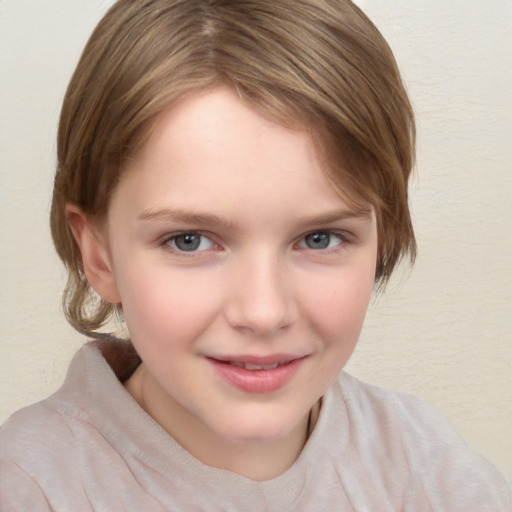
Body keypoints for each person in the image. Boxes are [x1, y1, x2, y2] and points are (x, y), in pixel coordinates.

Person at [1, 0, 510, 510]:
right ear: (99, 255)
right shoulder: (30, 487)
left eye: (319, 238)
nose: (264, 312)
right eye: (190, 240)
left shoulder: (427, 469)